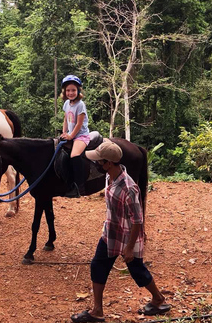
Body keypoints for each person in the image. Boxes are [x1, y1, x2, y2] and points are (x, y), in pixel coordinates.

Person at [70, 141, 170, 323]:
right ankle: (97, 311)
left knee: (137, 270)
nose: (96, 164)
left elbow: (138, 220)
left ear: (108, 163)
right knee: (97, 265)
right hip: (111, 233)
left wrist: (130, 247)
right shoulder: (110, 177)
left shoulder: (129, 188)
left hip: (127, 236)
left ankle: (158, 299)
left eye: (99, 162)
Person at [61, 75, 92, 198]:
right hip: (70, 134)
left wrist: (71, 136)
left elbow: (79, 124)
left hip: (81, 135)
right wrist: (64, 133)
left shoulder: (80, 105)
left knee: (74, 155)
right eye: (68, 90)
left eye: (73, 90)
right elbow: (65, 119)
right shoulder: (67, 104)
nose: (70, 93)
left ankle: (80, 187)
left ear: (78, 91)